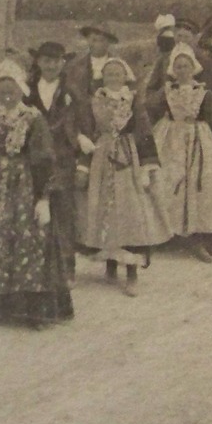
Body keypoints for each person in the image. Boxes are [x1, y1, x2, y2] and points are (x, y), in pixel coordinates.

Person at [0, 58, 68, 326]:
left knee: (27, 238)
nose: (6, 95)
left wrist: (44, 196)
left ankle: (30, 308)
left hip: (24, 184)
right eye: (2, 90)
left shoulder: (33, 119)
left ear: (21, 91)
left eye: (11, 90)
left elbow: (44, 156)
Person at [77, 56, 167, 294]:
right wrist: (84, 165)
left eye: (117, 74)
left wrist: (147, 165)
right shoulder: (95, 101)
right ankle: (110, 264)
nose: (113, 78)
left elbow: (144, 130)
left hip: (128, 157)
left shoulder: (133, 99)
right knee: (104, 209)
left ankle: (132, 272)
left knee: (129, 212)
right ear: (102, 78)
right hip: (101, 156)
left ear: (125, 76)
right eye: (109, 74)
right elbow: (86, 131)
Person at [148, 44, 212, 261]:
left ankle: (199, 239)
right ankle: (168, 235)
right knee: (169, 183)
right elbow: (149, 110)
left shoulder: (204, 92)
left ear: (194, 68)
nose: (182, 70)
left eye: (186, 66)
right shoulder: (166, 91)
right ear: (173, 69)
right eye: (178, 66)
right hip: (170, 140)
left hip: (198, 140)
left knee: (198, 185)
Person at [25, 41, 85, 310]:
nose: (51, 65)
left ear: (63, 63)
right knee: (35, 210)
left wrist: (83, 162)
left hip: (63, 159)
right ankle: (37, 269)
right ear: (38, 62)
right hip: (34, 159)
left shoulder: (72, 91)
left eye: (56, 60)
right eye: (46, 60)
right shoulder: (27, 90)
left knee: (63, 212)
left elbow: (84, 125)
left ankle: (67, 268)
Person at [62, 24, 119, 105]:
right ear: (88, 40)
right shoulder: (75, 66)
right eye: (94, 40)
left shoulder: (118, 65)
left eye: (101, 40)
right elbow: (72, 92)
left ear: (109, 42)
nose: (97, 45)